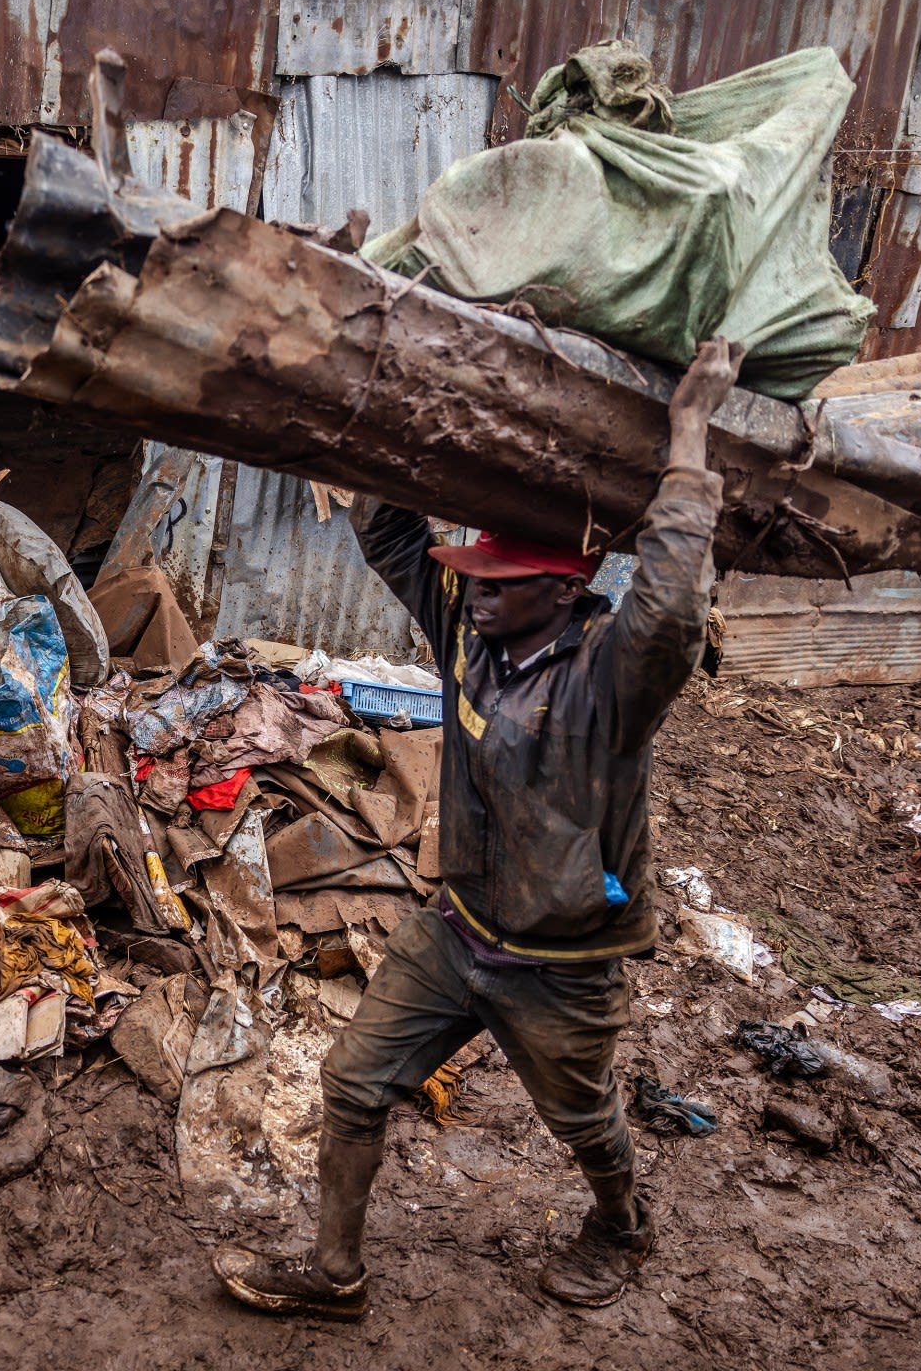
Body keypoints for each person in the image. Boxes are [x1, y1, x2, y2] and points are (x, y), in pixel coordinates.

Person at [214, 338, 744, 1316]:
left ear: (564, 590)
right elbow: (390, 533)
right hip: (455, 928)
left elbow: (669, 605)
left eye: (499, 578)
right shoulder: (471, 624)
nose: (474, 587)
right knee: (354, 1080)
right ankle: (336, 1278)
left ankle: (622, 1224)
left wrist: (691, 431)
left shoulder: (612, 681)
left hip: (563, 962)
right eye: (474, 574)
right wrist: (373, 380)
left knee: (584, 1119)